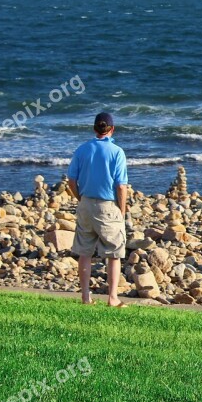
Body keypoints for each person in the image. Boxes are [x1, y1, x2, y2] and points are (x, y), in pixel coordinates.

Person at [67, 112, 129, 307]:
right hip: (107, 205)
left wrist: (80, 198)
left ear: (94, 129)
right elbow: (120, 185)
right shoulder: (117, 151)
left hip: (85, 202)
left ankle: (86, 297)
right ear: (112, 129)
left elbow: (71, 179)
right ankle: (112, 298)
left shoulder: (82, 149)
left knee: (85, 252)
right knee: (114, 252)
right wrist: (122, 208)